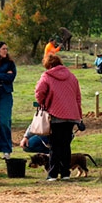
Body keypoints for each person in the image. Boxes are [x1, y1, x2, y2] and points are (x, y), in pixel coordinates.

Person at [35, 53, 83, 181]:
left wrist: (42, 103)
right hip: (71, 115)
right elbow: (78, 97)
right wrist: (79, 116)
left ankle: (52, 174)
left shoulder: (46, 76)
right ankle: (65, 173)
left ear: (49, 65)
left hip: (56, 114)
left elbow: (39, 92)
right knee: (66, 145)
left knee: (55, 146)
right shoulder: (72, 76)